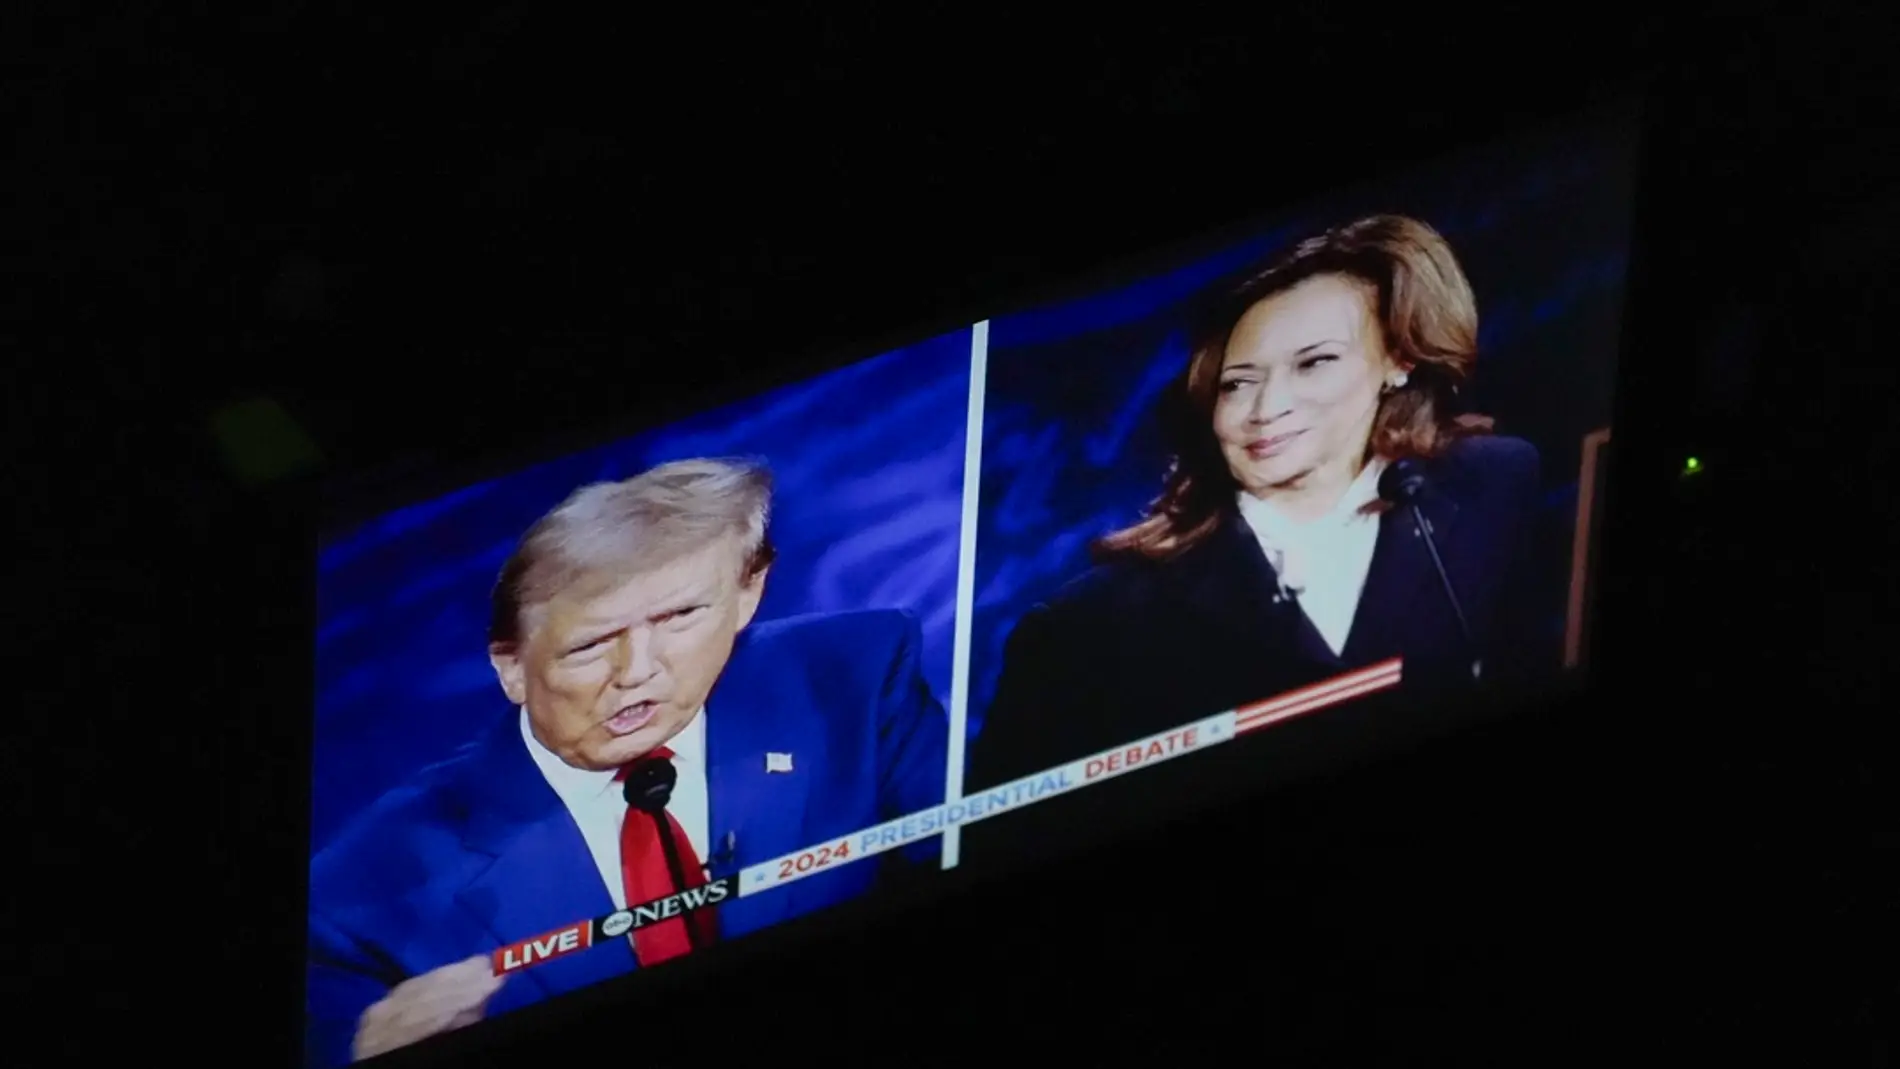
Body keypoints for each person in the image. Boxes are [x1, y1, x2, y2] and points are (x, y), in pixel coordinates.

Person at [305, 458, 948, 1066]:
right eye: (590, 645)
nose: (637, 672)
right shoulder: (362, 893)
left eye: (680, 616)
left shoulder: (855, 680)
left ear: (748, 595)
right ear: (511, 668)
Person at [963, 215, 1557, 866]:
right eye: (1238, 383)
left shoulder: (1494, 485)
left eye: (1314, 363)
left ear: (1398, 361)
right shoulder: (1085, 628)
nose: (1266, 408)